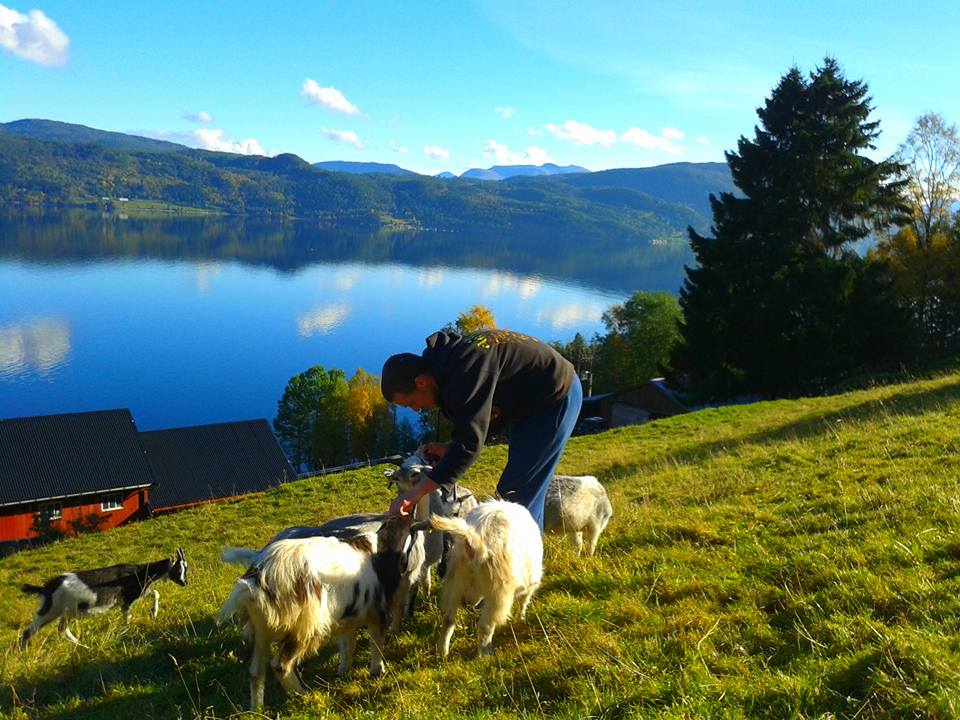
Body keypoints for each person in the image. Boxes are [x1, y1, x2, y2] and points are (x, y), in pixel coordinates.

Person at [381, 328, 582, 529]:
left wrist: (413, 494)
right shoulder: (447, 368)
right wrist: (452, 446)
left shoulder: (465, 372)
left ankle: (524, 558)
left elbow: (469, 446)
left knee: (516, 498)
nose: (416, 410)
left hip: (554, 399)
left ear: (421, 382)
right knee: (521, 490)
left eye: (411, 403)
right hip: (528, 403)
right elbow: (477, 421)